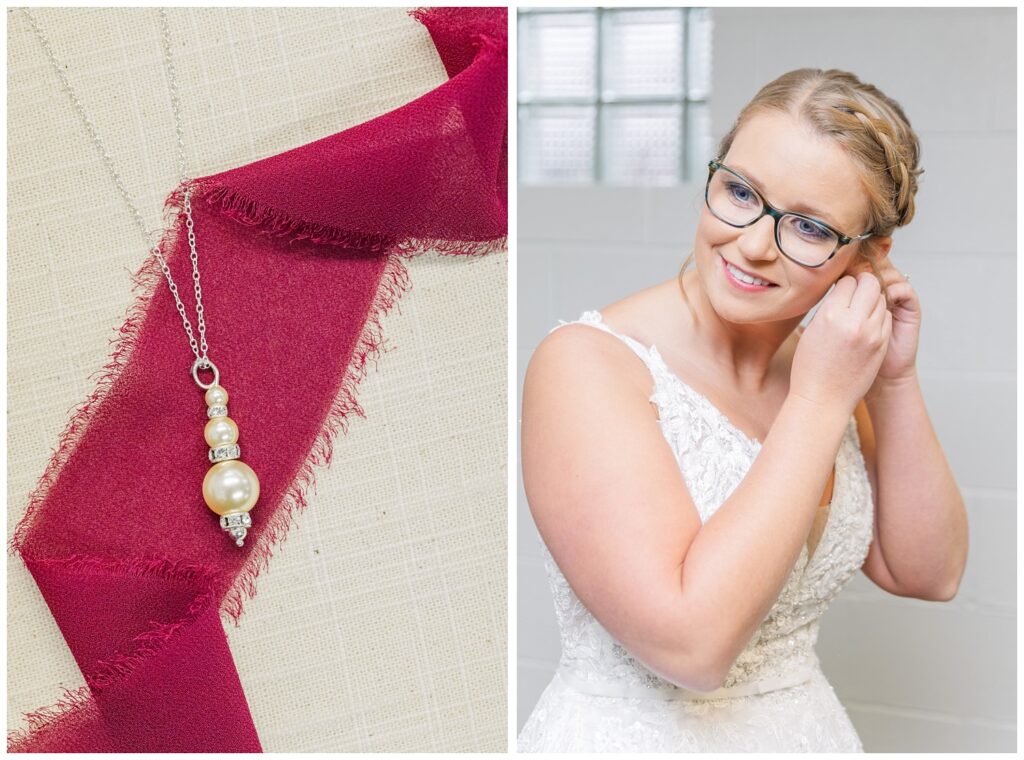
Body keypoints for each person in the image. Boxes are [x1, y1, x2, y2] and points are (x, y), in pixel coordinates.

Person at [517, 68, 968, 753]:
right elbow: (690, 648)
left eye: (810, 227)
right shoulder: (587, 365)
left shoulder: (831, 366)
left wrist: (893, 382)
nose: (754, 244)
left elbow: (928, 573)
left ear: (868, 258)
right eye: (740, 192)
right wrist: (819, 401)